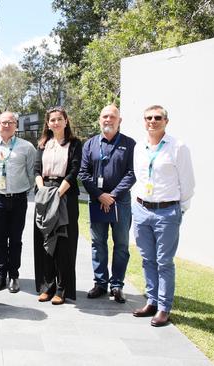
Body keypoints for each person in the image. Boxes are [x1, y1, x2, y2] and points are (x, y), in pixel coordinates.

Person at [131, 105, 194, 327]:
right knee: (147, 259)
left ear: (166, 121)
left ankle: (164, 308)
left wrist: (180, 209)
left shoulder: (178, 147)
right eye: (148, 117)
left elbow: (187, 183)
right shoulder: (140, 147)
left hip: (167, 211)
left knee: (164, 261)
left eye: (158, 118)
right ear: (144, 121)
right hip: (142, 209)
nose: (153, 121)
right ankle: (152, 300)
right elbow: (139, 177)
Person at [79, 105, 136, 303]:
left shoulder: (129, 144)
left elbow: (132, 173)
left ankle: (117, 285)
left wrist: (111, 196)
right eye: (105, 116)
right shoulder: (90, 144)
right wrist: (100, 195)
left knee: (121, 244)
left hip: (120, 202)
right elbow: (83, 174)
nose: (108, 120)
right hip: (96, 201)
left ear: (120, 120)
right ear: (99, 119)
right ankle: (100, 283)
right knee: (98, 244)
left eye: (113, 116)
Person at [33, 107, 82, 305]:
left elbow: (74, 170)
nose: (55, 123)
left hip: (65, 195)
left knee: (63, 244)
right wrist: (44, 192)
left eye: (59, 119)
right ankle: (47, 286)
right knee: (44, 243)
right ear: (48, 123)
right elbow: (36, 170)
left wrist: (58, 194)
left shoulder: (75, 144)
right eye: (52, 120)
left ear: (66, 121)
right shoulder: (43, 144)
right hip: (45, 193)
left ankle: (62, 289)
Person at [0, 112, 36, 293]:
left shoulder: (27, 147)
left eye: (10, 122)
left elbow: (31, 172)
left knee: (15, 239)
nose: (6, 125)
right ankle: (1, 275)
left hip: (19, 199)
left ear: (16, 125)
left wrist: (22, 190)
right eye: (3, 122)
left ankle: (13, 275)